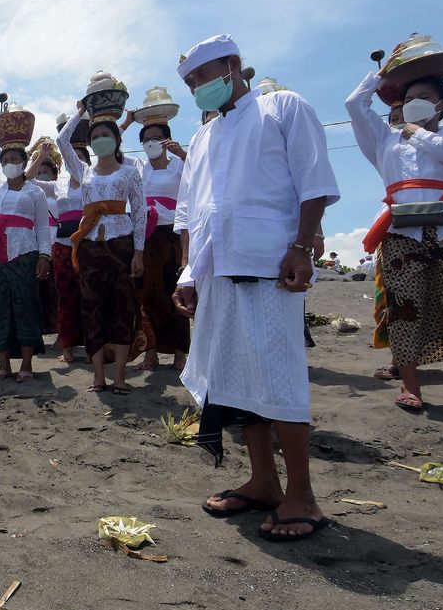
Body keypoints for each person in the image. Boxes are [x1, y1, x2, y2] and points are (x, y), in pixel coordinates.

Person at [173, 34, 339, 542]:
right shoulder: (202, 137)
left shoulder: (282, 108)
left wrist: (302, 248)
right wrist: (187, 273)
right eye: (192, 83)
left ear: (233, 66)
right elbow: (188, 213)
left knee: (278, 373)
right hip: (216, 269)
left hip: (271, 263)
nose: (199, 88)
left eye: (204, 77)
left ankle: (303, 495)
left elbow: (313, 183)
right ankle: (264, 482)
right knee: (235, 377)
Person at [346, 69, 443, 414]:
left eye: (425, 98)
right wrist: (382, 73)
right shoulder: (384, 139)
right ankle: (410, 386)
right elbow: (354, 103)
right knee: (404, 307)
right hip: (402, 231)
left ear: (442, 105)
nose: (415, 104)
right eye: (410, 98)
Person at [58, 97, 146, 394]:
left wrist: (139, 251)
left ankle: (119, 377)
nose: (100, 140)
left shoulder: (130, 171)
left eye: (106, 135)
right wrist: (80, 112)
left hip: (121, 243)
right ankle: (98, 376)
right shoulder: (83, 170)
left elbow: (141, 210)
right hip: (90, 246)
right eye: (95, 137)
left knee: (122, 308)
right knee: (91, 308)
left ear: (117, 138)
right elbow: (61, 140)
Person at [0, 108, 52, 383]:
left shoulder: (35, 191)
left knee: (25, 305)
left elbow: (41, 226)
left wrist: (44, 256)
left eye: (15, 159)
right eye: (6, 160)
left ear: (24, 162)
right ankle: (3, 364)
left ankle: (26, 364)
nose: (10, 163)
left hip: (24, 253)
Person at [124, 112, 190, 371]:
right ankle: (150, 353)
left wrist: (184, 154)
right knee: (147, 296)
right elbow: (112, 147)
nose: (152, 143)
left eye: (157, 138)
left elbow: (204, 173)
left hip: (174, 235)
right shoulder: (139, 169)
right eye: (147, 139)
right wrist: (127, 123)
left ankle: (179, 353)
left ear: (167, 140)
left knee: (176, 293)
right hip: (146, 237)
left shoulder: (180, 165)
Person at [44, 114, 88, 364]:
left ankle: (95, 345)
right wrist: (41, 155)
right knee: (65, 295)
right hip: (62, 246)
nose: (76, 161)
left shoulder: (92, 182)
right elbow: (29, 179)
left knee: (90, 294)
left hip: (88, 244)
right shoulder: (58, 186)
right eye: (73, 158)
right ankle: (68, 346)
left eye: (81, 158)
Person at [25, 138, 61, 337]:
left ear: (54, 174)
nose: (41, 175)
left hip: (58, 243)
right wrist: (36, 155)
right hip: (36, 244)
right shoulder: (31, 193)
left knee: (56, 290)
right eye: (39, 172)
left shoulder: (58, 191)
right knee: (38, 291)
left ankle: (60, 331)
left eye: (45, 171)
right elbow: (26, 177)